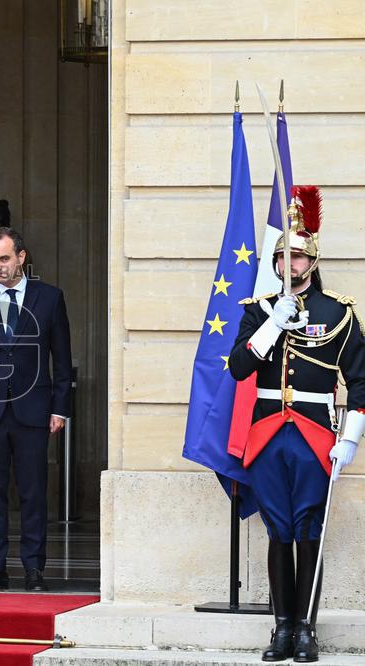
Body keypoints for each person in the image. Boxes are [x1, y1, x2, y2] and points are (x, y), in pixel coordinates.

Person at [228, 186, 364, 663]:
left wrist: (349, 439)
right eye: (283, 256)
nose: (290, 264)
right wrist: (272, 324)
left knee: (308, 530)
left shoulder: (337, 312)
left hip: (313, 433)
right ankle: (281, 627)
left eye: (298, 257)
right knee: (278, 530)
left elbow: (361, 382)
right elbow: (239, 368)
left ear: (312, 261)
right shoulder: (258, 309)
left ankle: (306, 627)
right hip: (267, 433)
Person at [0, 226, 72, 592]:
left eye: (4, 258)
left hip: (34, 410)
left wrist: (60, 408)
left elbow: (62, 357)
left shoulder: (50, 298)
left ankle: (34, 568)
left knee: (33, 491)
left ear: (21, 257)